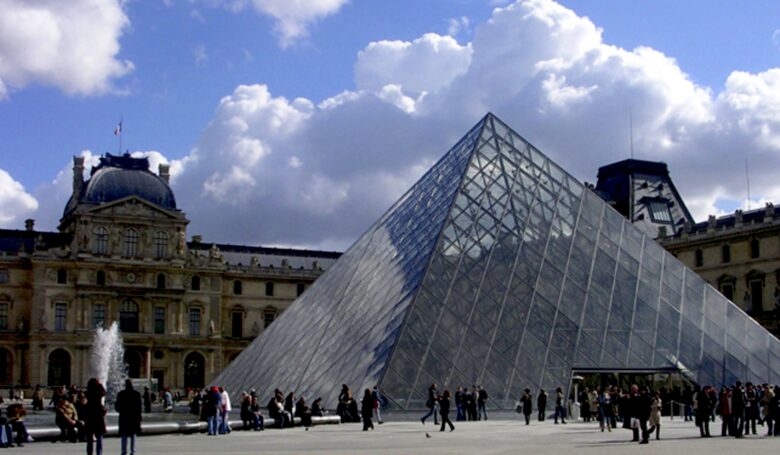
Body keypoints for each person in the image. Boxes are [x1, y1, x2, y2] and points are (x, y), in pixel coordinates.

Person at [115, 379, 142, 455]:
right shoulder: (136, 394)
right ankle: (133, 451)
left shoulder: (121, 394)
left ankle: (123, 452)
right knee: (133, 435)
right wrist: (139, 417)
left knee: (124, 435)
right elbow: (139, 408)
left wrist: (121, 410)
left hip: (124, 417)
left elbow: (117, 406)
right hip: (133, 418)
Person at [83, 378, 107, 455]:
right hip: (98, 416)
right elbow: (104, 392)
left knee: (90, 439)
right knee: (99, 437)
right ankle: (99, 453)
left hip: (90, 416)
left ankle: (89, 453)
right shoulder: (98, 393)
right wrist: (100, 385)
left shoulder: (88, 392)